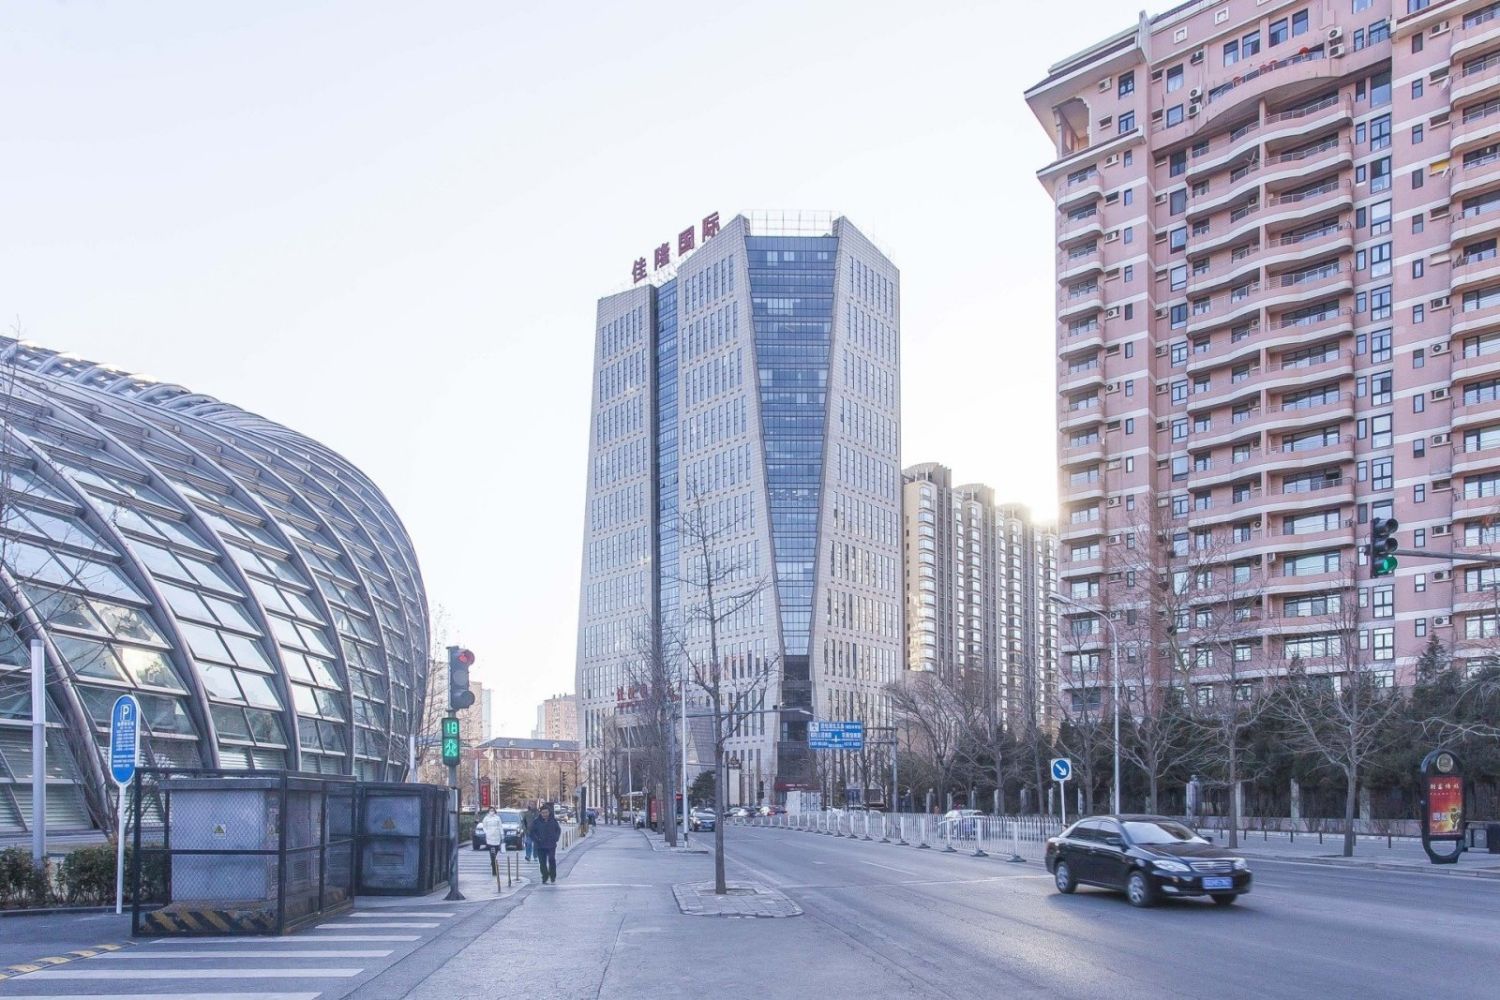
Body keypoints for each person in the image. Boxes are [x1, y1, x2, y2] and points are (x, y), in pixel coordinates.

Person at [529, 801, 562, 884]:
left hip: (551, 845)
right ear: (540, 813)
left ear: (549, 812)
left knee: (551, 859)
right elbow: (532, 833)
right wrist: (537, 839)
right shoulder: (536, 822)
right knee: (542, 862)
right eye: (543, 813)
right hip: (540, 846)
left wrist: (556, 838)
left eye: (546, 812)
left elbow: (558, 830)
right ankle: (545, 876)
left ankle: (553, 876)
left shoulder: (553, 821)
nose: (545, 814)